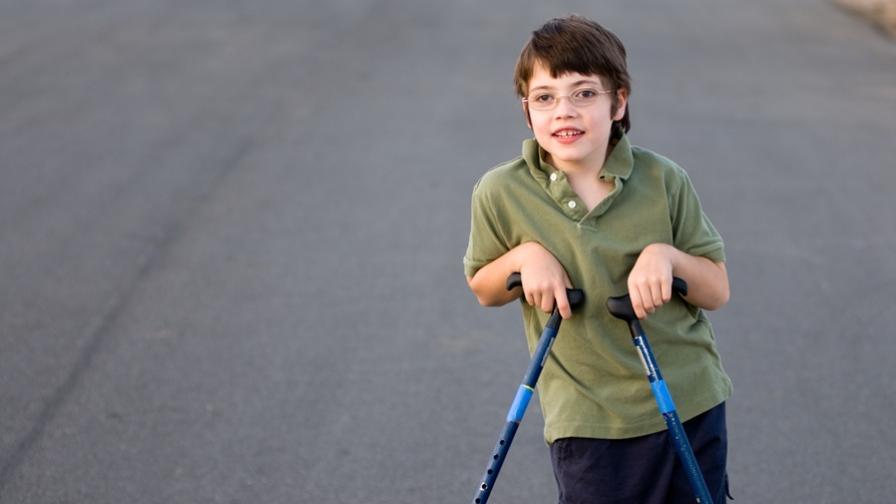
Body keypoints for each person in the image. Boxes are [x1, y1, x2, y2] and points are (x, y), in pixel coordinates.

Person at [463, 15, 733, 504]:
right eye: (545, 97)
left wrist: (666, 256)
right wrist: (524, 257)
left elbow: (715, 288)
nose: (564, 111)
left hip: (687, 400)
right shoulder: (501, 192)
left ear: (619, 101)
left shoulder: (664, 180)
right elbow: (483, 288)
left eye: (584, 93)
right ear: (527, 112)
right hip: (586, 417)